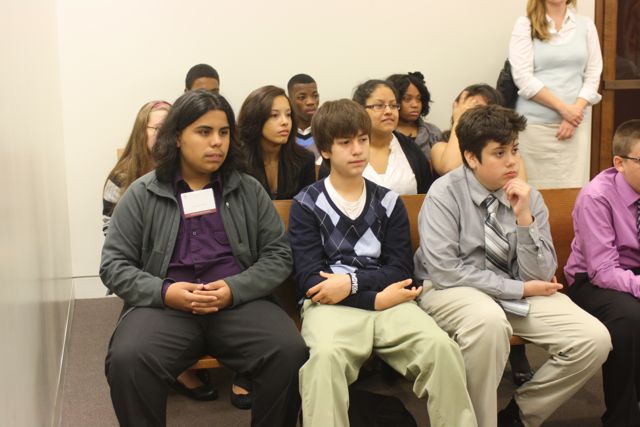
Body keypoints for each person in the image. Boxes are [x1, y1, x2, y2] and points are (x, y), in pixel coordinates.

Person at [100, 90, 307, 427]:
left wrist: (233, 288)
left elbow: (278, 254)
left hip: (239, 302)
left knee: (288, 351)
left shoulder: (248, 190)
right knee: (128, 360)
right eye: (204, 132)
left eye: (224, 132)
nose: (217, 143)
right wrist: (165, 292)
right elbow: (113, 265)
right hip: (165, 306)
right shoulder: (142, 192)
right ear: (177, 137)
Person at [414, 104, 611, 427]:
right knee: (488, 321)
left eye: (515, 150)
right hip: (454, 290)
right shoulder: (444, 194)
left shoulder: (527, 196)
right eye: (500, 153)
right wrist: (517, 288)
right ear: (471, 158)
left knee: (593, 338)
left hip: (514, 290)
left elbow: (540, 272)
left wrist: (524, 218)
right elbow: (445, 270)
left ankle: (522, 414)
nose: (512, 161)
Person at [289, 99, 477, 427]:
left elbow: (401, 268)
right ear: (326, 150)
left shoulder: (387, 201)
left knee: (441, 348)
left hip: (390, 302)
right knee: (324, 359)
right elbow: (310, 279)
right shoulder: (307, 203)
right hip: (332, 306)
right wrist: (372, 297)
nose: (357, 149)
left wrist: (354, 284)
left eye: (362, 139)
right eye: (345, 142)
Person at [565, 120, 640, 427]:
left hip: (631, 274)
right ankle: (622, 417)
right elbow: (603, 272)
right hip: (591, 281)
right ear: (619, 163)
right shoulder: (597, 196)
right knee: (630, 317)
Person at [509, 0, 602, 188]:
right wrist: (564, 109)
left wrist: (573, 113)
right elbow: (523, 78)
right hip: (534, 129)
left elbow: (593, 74)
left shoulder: (586, 25)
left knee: (572, 192)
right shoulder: (525, 25)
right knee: (531, 191)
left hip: (574, 127)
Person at [319, 79, 433, 195]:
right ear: (360, 109)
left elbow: (426, 195)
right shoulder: (342, 153)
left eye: (393, 105)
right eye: (379, 106)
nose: (389, 111)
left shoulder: (411, 148)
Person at [238, 85, 315, 200]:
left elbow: (308, 208)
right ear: (255, 118)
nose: (285, 122)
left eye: (288, 115)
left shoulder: (304, 159)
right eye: (274, 115)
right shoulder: (238, 162)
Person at [386, 72, 443, 163]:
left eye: (419, 99)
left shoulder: (433, 133)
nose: (415, 105)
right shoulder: (384, 133)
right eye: (407, 99)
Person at [287, 73, 321, 160]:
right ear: (289, 100)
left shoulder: (328, 131)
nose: (310, 102)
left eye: (315, 96)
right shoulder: (284, 134)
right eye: (302, 97)